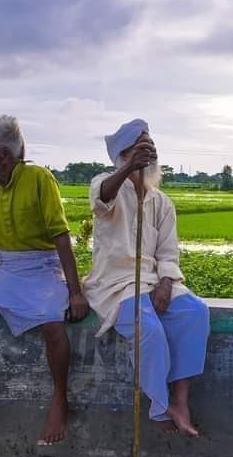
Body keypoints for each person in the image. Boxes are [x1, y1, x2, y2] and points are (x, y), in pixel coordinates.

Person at [0, 115, 88, 445]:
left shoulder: (40, 178)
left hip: (43, 266)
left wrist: (75, 292)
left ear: (6, 155)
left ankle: (59, 399)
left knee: (53, 324)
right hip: (6, 267)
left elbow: (60, 236)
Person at [82, 119, 209, 437]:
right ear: (124, 155)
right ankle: (160, 405)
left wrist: (166, 282)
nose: (150, 152)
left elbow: (168, 253)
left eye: (151, 146)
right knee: (149, 330)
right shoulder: (106, 183)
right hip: (116, 283)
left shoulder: (162, 202)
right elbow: (102, 198)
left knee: (195, 312)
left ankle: (180, 400)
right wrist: (129, 169)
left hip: (153, 280)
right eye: (142, 147)